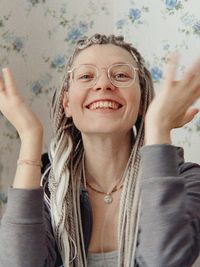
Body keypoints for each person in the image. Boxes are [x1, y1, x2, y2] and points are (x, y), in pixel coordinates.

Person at [0, 33, 200, 267]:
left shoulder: (187, 181)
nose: (103, 84)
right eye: (86, 75)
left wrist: (158, 127)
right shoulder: (46, 189)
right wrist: (29, 135)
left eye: (121, 75)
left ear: (142, 101)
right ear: (66, 104)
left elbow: (164, 261)